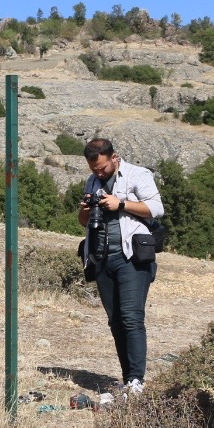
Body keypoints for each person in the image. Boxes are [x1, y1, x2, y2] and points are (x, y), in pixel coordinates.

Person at [77, 138, 163, 395]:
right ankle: (128, 380)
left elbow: (157, 209)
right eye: (94, 169)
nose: (98, 173)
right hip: (102, 258)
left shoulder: (138, 174)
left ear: (114, 157)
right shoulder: (92, 181)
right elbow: (83, 221)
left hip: (132, 257)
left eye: (102, 168)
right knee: (115, 321)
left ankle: (137, 379)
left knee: (131, 317)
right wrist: (85, 208)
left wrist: (121, 204)